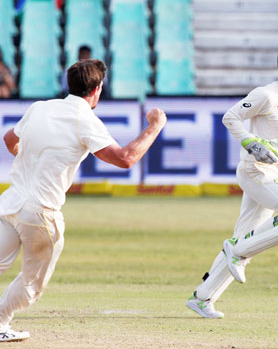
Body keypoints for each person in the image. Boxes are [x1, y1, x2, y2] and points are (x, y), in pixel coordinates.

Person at [0, 59, 166, 341]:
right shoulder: (85, 120)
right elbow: (125, 159)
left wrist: (37, 160)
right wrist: (155, 126)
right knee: (32, 284)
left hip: (9, 202)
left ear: (70, 83)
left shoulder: (39, 107)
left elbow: (8, 139)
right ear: (97, 89)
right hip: (41, 213)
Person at [186, 40, 278, 318]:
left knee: (243, 237)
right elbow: (230, 117)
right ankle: (238, 250)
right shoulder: (267, 94)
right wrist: (250, 142)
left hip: (274, 171)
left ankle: (203, 298)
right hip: (254, 170)